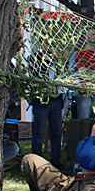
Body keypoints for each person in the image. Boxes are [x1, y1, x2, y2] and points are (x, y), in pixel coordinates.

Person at [27, 40, 64, 169]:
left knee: (56, 132)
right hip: (41, 101)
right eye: (48, 44)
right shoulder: (35, 58)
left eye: (54, 44)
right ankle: (36, 162)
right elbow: (35, 74)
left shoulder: (59, 61)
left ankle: (56, 161)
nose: (51, 47)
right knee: (39, 132)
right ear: (42, 44)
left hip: (55, 100)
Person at [74, 29, 95, 118]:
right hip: (87, 93)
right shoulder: (80, 54)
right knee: (84, 121)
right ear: (86, 37)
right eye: (93, 34)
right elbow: (84, 74)